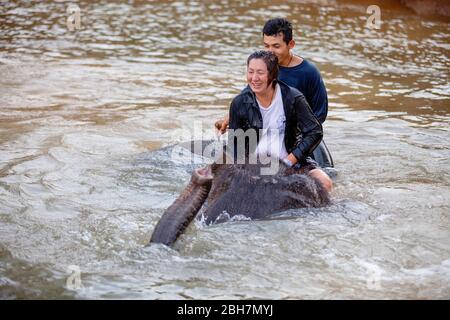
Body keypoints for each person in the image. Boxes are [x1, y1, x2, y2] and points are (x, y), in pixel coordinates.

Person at [216, 18, 333, 168]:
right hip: (266, 130)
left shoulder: (309, 73)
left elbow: (319, 114)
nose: (270, 51)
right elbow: (249, 96)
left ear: (291, 44)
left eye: (276, 46)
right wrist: (229, 117)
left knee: (325, 176)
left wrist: (292, 134)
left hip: (298, 135)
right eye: (266, 46)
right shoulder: (264, 69)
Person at [227, 50, 332, 192]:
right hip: (254, 166)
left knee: (325, 183)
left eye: (260, 72)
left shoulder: (293, 98)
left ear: (272, 75)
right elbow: (236, 148)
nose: (254, 78)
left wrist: (288, 161)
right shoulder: (239, 103)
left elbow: (315, 131)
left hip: (292, 164)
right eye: (250, 72)